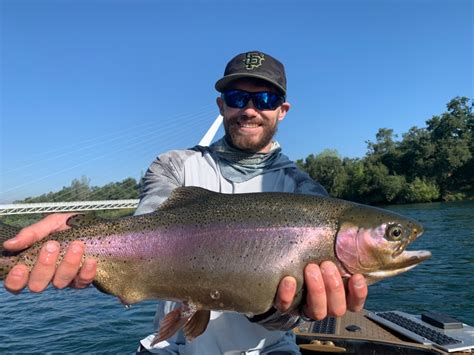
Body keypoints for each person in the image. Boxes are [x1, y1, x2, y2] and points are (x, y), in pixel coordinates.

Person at [3, 50, 368, 354]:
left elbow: (294, 315)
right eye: (238, 98)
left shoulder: (305, 194)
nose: (250, 109)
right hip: (173, 345)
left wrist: (282, 309)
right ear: (221, 105)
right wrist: (75, 231)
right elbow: (146, 226)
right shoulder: (173, 165)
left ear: (282, 110)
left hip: (268, 348)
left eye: (265, 99)